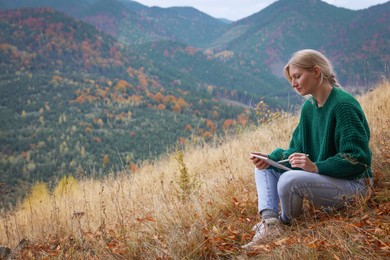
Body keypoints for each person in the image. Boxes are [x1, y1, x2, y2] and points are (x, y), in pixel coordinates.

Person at [242, 49, 373, 249]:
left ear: (316, 72)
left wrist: (316, 167)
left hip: (355, 185)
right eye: (291, 79)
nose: (294, 83)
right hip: (325, 179)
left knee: (289, 179)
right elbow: (295, 149)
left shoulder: (343, 106)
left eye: (297, 76)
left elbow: (357, 160)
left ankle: (286, 224)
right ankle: (270, 223)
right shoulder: (309, 107)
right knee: (263, 168)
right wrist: (271, 158)